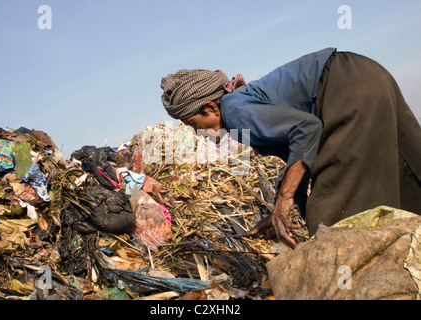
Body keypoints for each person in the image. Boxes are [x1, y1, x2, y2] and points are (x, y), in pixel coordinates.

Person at [160, 47, 421, 248]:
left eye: (194, 125)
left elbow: (306, 129)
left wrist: (284, 201)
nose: (198, 134)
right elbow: (302, 156)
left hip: (344, 88)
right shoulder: (241, 103)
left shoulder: (234, 111)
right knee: (404, 166)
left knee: (333, 221)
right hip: (368, 74)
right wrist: (283, 210)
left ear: (211, 108)